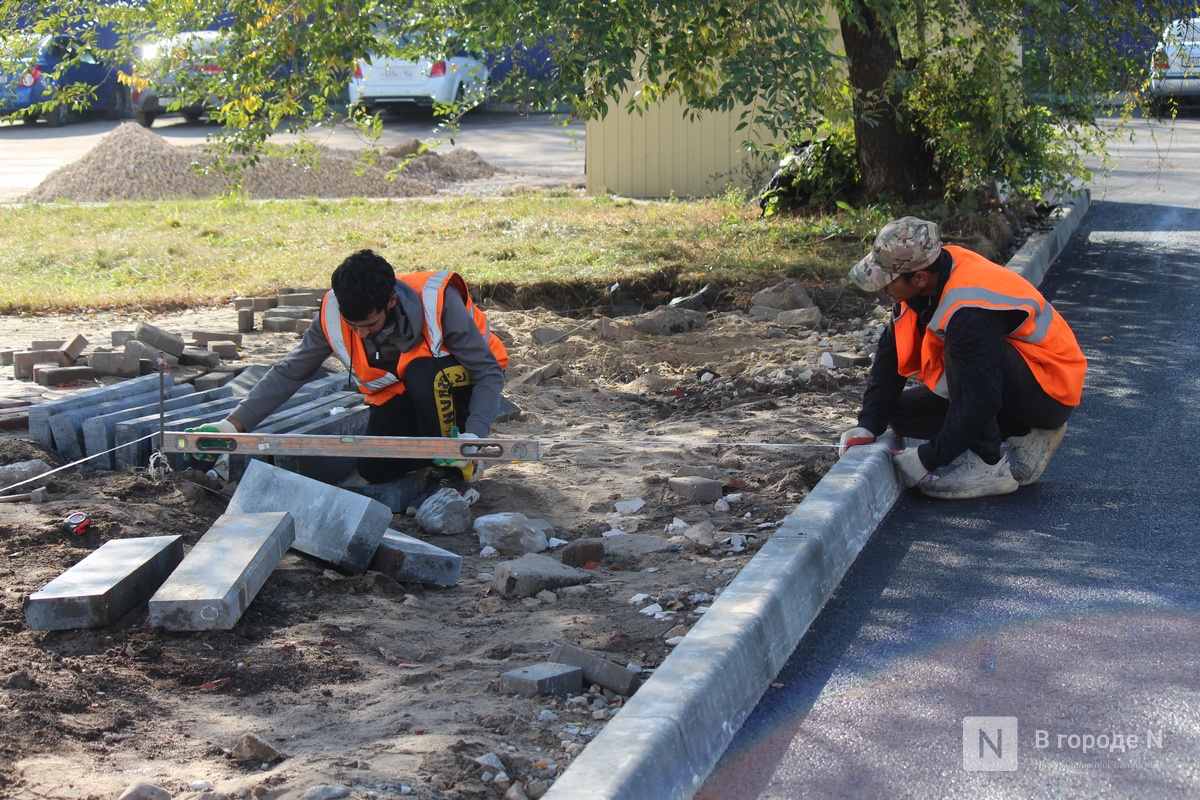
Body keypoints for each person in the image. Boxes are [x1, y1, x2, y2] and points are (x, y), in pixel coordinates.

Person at [187, 249, 508, 500]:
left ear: (392, 301)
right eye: (353, 326)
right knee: (373, 467)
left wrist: (474, 437)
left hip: (461, 382)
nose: (361, 334)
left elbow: (487, 372)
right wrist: (232, 425)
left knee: (423, 372)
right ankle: (435, 456)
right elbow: (289, 373)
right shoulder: (333, 313)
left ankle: (462, 464)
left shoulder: (436, 301)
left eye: (370, 324)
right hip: (404, 390)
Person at [838, 217, 1087, 499]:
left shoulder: (967, 308)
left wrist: (927, 458)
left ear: (919, 279)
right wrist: (868, 424)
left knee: (959, 347)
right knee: (902, 413)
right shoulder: (925, 279)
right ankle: (1025, 433)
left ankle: (987, 467)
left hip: (1050, 390)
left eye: (886, 281)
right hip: (1009, 382)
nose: (881, 288)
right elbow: (889, 353)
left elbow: (981, 396)